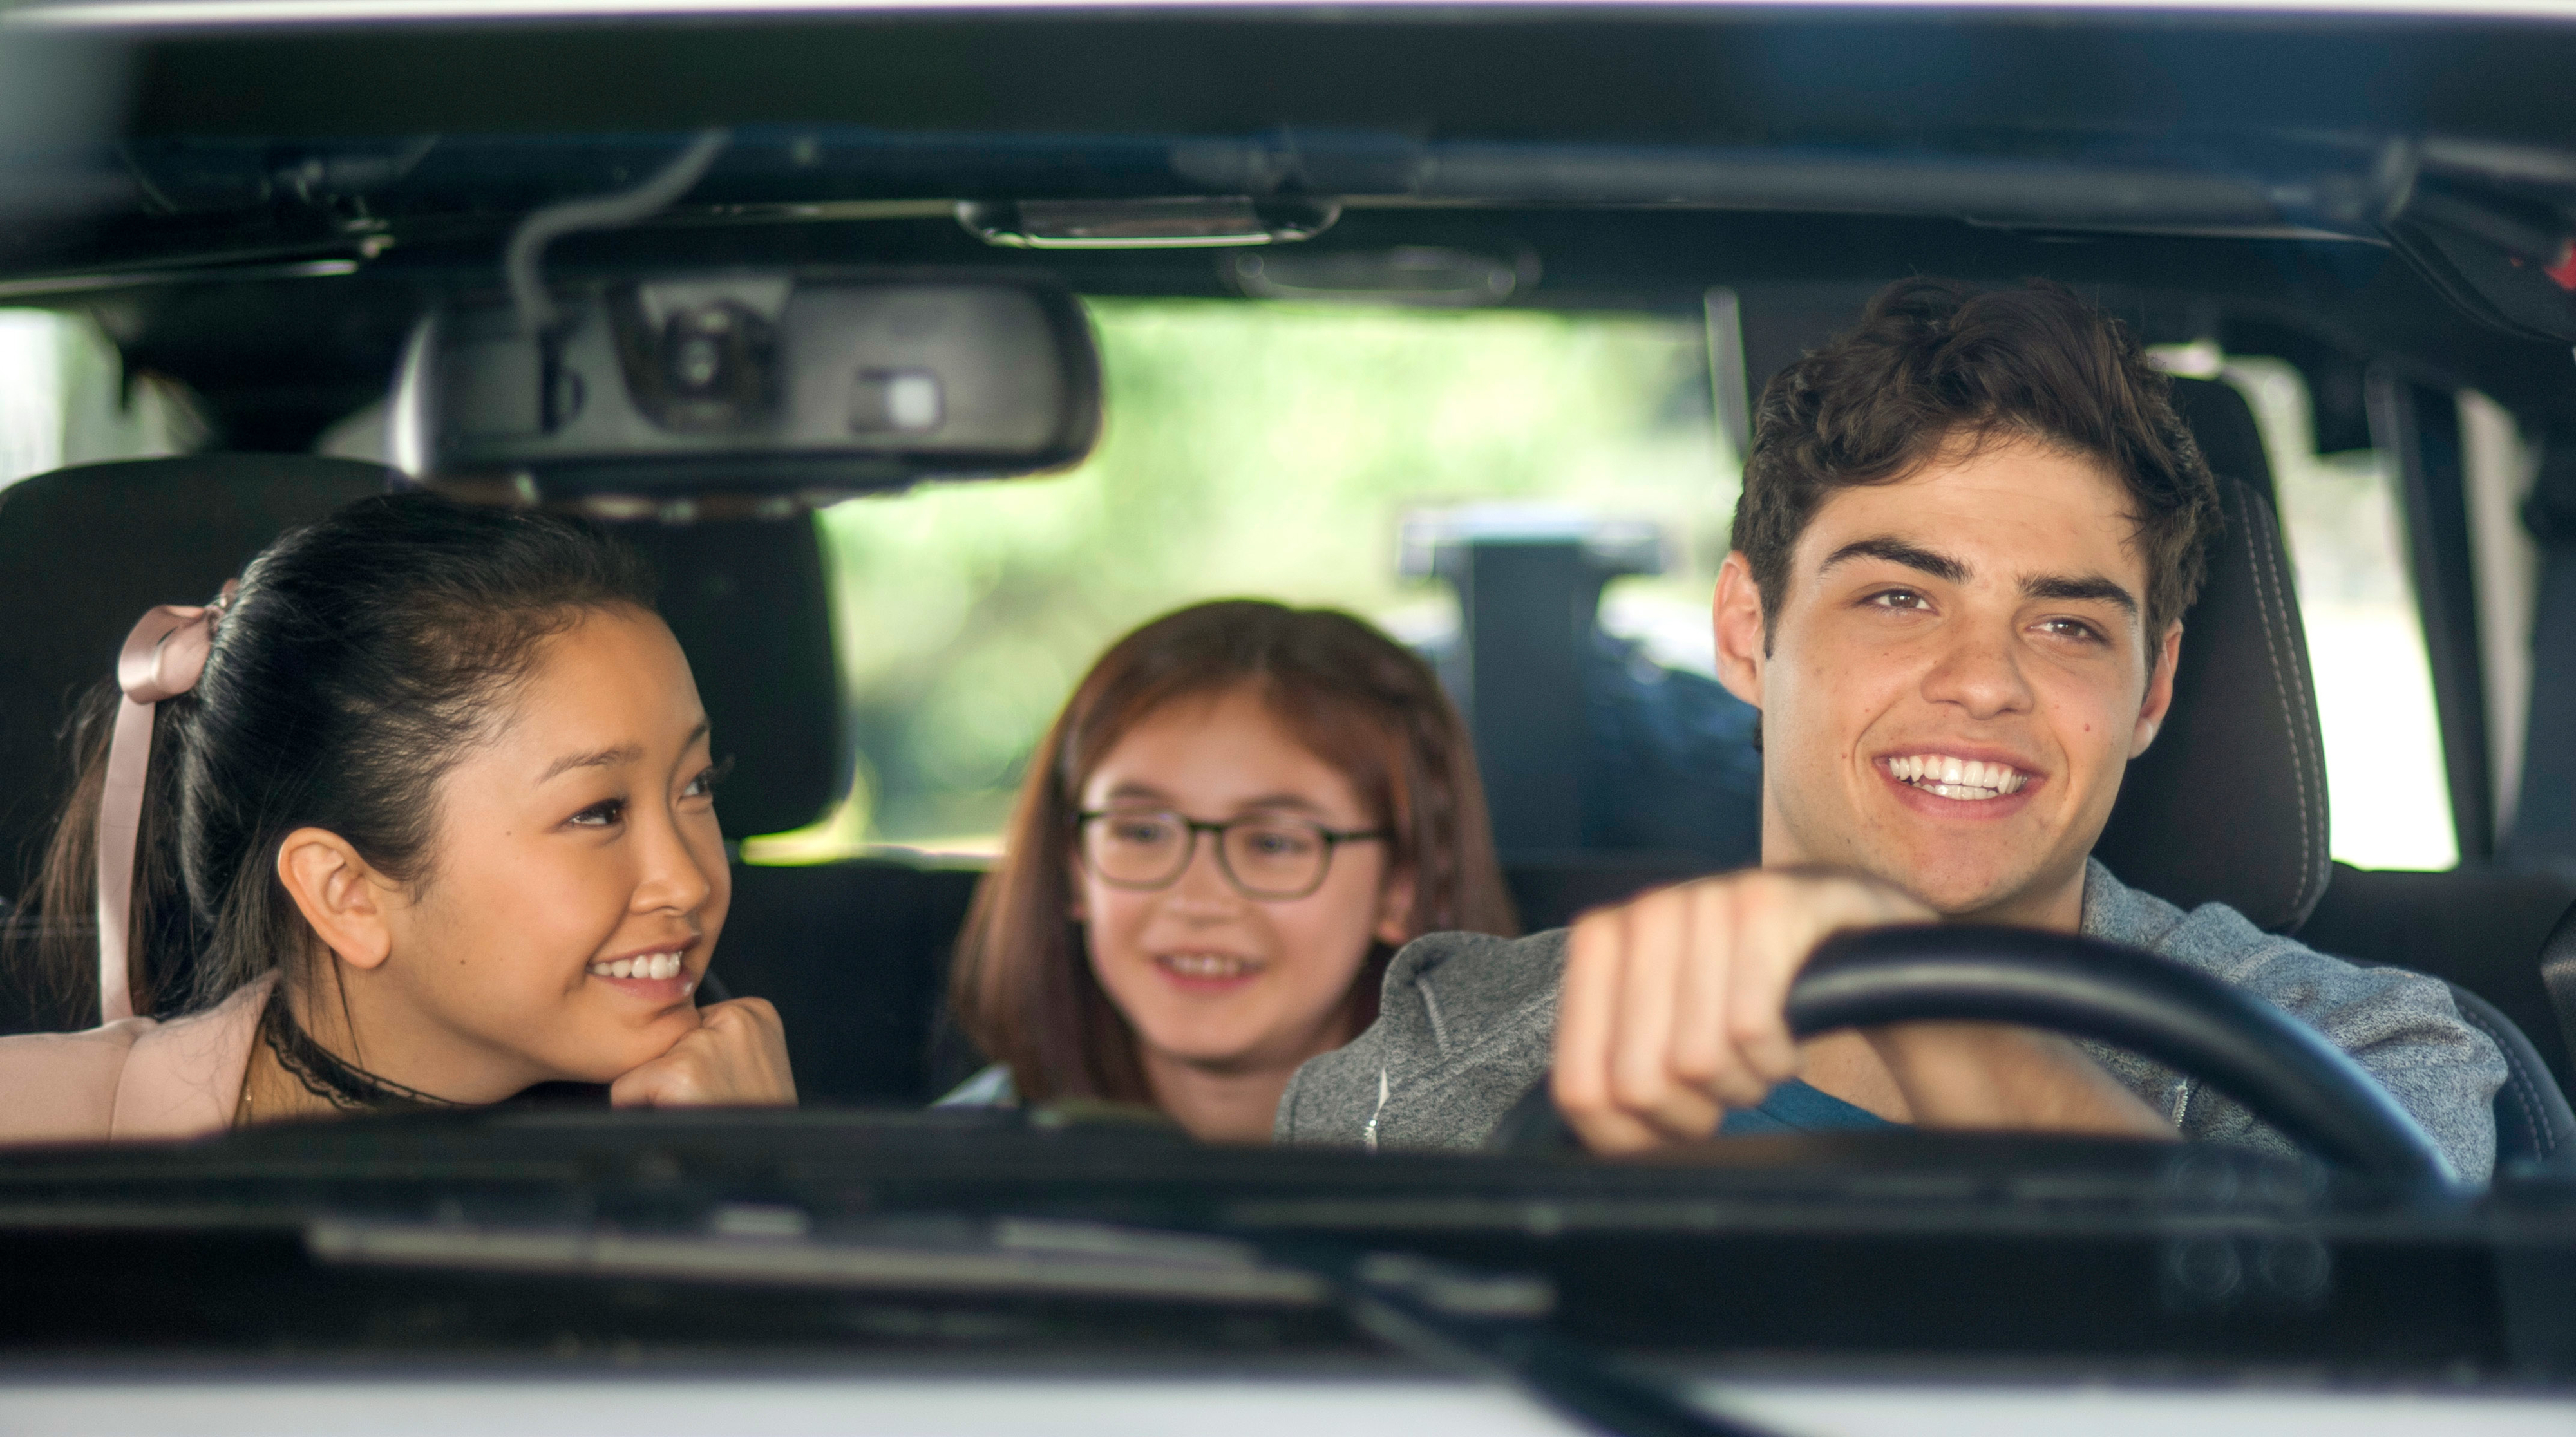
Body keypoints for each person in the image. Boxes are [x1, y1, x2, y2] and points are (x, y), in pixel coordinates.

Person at [1277, 279, 2505, 1183]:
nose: (1983, 682)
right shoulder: (1447, 1059)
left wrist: (1899, 976)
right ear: (1748, 631)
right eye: (1899, 598)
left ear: (2152, 690)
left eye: (2069, 626)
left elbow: (2331, 1359)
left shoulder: (2366, 1053)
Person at [0, 492, 795, 1141]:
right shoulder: (33, 1141)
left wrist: (752, 1188)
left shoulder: (727, 1116)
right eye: (598, 812)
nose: (688, 879)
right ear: (345, 891)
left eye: (697, 785)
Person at [943, 599, 1518, 1142]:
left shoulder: (1523, 1179)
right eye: (1142, 832)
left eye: (1272, 842)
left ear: (1402, 888)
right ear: (1072, 869)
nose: (1197, 898)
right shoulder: (943, 1174)